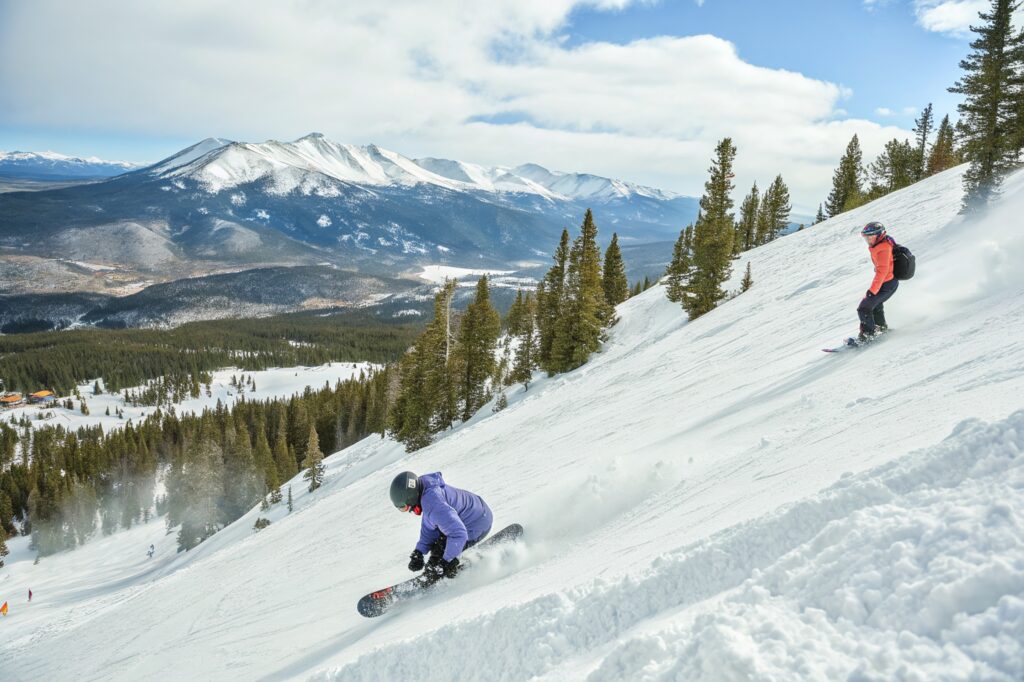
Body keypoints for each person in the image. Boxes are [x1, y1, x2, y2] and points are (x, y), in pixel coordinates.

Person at [390, 471, 493, 582]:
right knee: (440, 543)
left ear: (411, 497)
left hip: (478, 522)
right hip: (477, 512)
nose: (409, 511)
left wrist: (447, 562)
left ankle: (433, 577)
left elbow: (458, 534)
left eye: (404, 507)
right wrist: (419, 552)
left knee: (440, 552)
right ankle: (433, 572)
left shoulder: (434, 504)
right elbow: (430, 526)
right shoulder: (426, 492)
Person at [856, 221, 898, 343]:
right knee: (875, 305)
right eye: (866, 237)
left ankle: (868, 335)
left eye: (870, 236)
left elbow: (882, 272)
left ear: (879, 235)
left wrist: (872, 291)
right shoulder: (878, 245)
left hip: (888, 284)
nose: (868, 240)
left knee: (863, 308)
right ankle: (881, 328)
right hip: (887, 282)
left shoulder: (883, 248)